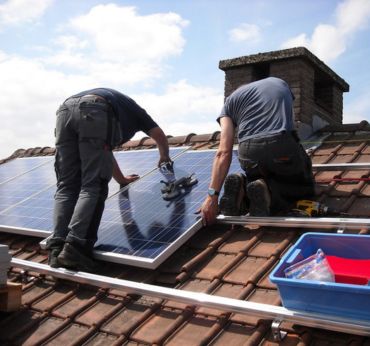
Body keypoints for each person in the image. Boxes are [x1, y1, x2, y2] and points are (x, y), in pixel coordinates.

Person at [46, 88, 171, 271]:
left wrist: (121, 179)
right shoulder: (138, 113)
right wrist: (164, 156)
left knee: (66, 186)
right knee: (93, 185)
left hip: (65, 111)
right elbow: (159, 135)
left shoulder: (121, 108)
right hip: (94, 108)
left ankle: (56, 249)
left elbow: (104, 154)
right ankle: (76, 248)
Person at [200, 77, 315, 226]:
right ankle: (271, 195)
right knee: (303, 185)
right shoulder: (279, 82)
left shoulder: (229, 102)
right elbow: (291, 124)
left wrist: (212, 196)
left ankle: (243, 187)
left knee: (258, 176)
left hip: (249, 153)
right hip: (281, 144)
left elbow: (223, 151)